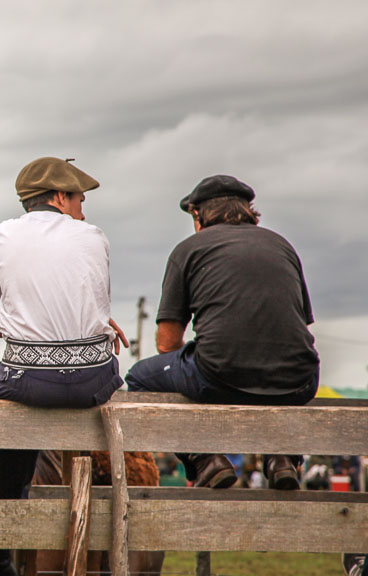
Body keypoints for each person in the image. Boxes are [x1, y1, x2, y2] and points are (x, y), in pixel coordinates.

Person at [0, 157, 127, 576]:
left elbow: (9, 305)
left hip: (29, 379)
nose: (83, 211)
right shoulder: (95, 237)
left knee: (3, 404)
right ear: (59, 197)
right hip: (95, 380)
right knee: (36, 390)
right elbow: (91, 307)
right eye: (79, 199)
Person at [124, 175, 319, 490]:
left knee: (140, 378)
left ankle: (206, 460)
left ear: (198, 216)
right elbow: (299, 325)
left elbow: (167, 343)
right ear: (248, 211)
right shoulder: (281, 245)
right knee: (276, 368)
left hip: (220, 376)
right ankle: (282, 458)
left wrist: (202, 358)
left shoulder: (188, 249)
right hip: (301, 381)